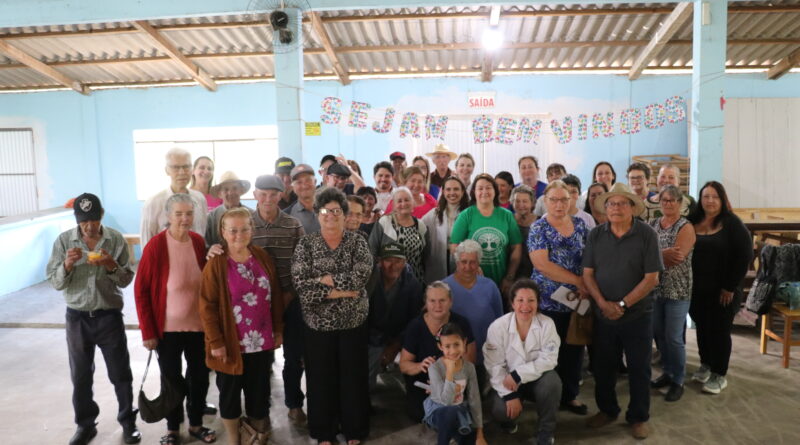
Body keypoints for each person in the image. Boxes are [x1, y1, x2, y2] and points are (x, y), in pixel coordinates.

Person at [46, 193, 141, 445]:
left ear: (101, 215)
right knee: (80, 375)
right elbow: (54, 281)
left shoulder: (115, 240)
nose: (88, 226)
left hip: (108, 315)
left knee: (120, 373)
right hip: (77, 318)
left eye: (93, 220)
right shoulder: (64, 241)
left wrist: (110, 265)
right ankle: (85, 425)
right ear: (77, 219)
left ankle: (128, 422)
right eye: (83, 221)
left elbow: (125, 279)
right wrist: (66, 265)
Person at [291, 187, 373, 445]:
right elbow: (302, 287)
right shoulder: (306, 243)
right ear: (317, 214)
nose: (331, 215)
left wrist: (326, 282)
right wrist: (340, 292)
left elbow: (361, 278)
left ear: (344, 214)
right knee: (320, 379)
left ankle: (354, 430)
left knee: (353, 378)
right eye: (326, 211)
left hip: (353, 323)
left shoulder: (357, 241)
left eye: (337, 211)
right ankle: (323, 432)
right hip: (317, 326)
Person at [582, 183, 662, 440]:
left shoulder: (647, 234)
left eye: (622, 203)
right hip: (603, 313)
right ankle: (607, 410)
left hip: (638, 314)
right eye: (611, 204)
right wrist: (603, 304)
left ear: (632, 207)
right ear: (605, 209)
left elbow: (651, 278)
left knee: (639, 368)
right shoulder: (596, 235)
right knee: (603, 366)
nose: (616, 208)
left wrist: (623, 304)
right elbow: (587, 274)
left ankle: (638, 417)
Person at [134, 194, 215, 445]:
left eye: (188, 214)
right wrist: (148, 331)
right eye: (178, 214)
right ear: (167, 217)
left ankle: (196, 424)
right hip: (166, 330)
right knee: (171, 379)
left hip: (198, 327)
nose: (184, 219)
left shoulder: (198, 242)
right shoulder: (156, 246)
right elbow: (141, 290)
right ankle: (172, 428)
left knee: (200, 376)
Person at [200, 207, 285, 445]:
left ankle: (257, 435)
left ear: (252, 229)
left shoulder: (262, 257)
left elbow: (276, 295)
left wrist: (278, 329)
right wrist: (216, 342)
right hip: (229, 343)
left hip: (261, 341)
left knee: (259, 394)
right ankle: (234, 439)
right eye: (233, 230)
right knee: (229, 395)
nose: (239, 234)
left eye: (245, 229)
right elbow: (207, 305)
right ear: (223, 232)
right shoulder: (216, 263)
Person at [248, 175, 307, 424]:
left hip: (290, 298)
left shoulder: (293, 225)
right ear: (255, 195)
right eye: (263, 194)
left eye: (274, 194)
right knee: (259, 359)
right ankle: (259, 409)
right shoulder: (245, 224)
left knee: (294, 356)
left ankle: (294, 403)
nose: (268, 199)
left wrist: (290, 292)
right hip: (255, 304)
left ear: (281, 195)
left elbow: (304, 262)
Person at [529, 181, 590, 415]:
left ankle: (570, 395)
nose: (559, 204)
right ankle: (546, 397)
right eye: (553, 199)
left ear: (571, 200)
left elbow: (589, 257)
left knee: (574, 347)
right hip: (548, 299)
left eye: (564, 199)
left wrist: (587, 283)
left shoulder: (581, 225)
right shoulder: (539, 228)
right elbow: (542, 264)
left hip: (578, 298)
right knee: (549, 350)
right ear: (545, 201)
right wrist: (578, 281)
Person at [687, 181, 752, 395]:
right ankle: (706, 364)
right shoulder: (693, 220)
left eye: (714, 197)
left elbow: (744, 257)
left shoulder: (732, 223)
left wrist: (729, 286)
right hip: (696, 287)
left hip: (723, 290)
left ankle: (719, 374)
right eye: (706, 196)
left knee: (720, 331)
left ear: (722, 199)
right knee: (702, 327)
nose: (710, 201)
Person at [483, 279, 561, 445]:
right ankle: (509, 421)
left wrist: (518, 375)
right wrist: (510, 395)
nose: (525, 306)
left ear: (538, 303)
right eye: (520, 300)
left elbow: (549, 359)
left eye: (531, 300)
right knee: (500, 410)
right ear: (512, 303)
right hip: (507, 382)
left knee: (553, 383)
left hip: (535, 380)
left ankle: (545, 433)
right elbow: (494, 365)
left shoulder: (547, 324)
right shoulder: (498, 327)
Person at [400, 282, 476, 422]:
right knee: (419, 413)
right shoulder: (415, 326)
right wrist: (419, 366)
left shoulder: (462, 323)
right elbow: (404, 364)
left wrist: (445, 381)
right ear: (426, 303)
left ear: (451, 302)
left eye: (442, 300)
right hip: (424, 383)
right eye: (432, 301)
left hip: (456, 379)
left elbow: (470, 360)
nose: (437, 305)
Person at [648, 185, 696, 402]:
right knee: (659, 334)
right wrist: (662, 254)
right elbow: (644, 254)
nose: (668, 203)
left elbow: (678, 257)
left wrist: (655, 256)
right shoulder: (653, 225)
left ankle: (678, 379)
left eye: (672, 200)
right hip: (656, 288)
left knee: (674, 337)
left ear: (680, 203)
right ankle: (667, 372)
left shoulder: (685, 227)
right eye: (665, 200)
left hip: (678, 289)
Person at [443, 240, 504, 384]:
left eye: (473, 262)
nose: (468, 267)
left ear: (478, 263)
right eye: (463, 262)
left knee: (480, 398)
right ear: (457, 262)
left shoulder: (490, 286)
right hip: (453, 358)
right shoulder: (444, 287)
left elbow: (500, 322)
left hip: (485, 358)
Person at [450, 174, 522, 292]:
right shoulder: (465, 215)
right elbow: (454, 247)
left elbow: (516, 247)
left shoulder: (507, 215)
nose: (484, 191)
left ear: (495, 191)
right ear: (474, 192)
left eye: (488, 187)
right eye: (480, 188)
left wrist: (509, 277)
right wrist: (471, 267)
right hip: (470, 281)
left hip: (501, 281)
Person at [367, 242, 424, 388]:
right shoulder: (369, 280)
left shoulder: (412, 285)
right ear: (380, 262)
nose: (393, 266)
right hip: (371, 336)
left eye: (398, 261)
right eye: (388, 260)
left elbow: (414, 320)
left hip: (399, 335)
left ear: (405, 262)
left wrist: (396, 345)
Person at [423, 322, 487, 445]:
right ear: (440, 347)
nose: (452, 351)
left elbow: (475, 399)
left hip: (459, 411)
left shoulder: (469, 367)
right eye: (447, 346)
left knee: (470, 439)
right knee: (450, 412)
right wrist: (450, 372)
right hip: (439, 411)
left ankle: (458, 435)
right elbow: (446, 401)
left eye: (457, 344)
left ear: (464, 342)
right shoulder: (434, 368)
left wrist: (480, 435)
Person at [141, 147, 208, 246]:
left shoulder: (200, 199)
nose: (182, 172)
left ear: (192, 169)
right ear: (167, 170)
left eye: (186, 167)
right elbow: (146, 244)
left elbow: (202, 233)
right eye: (176, 167)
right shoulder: (153, 203)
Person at [369, 186, 430, 284]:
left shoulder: (421, 226)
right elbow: (372, 251)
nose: (403, 204)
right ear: (394, 205)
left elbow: (426, 257)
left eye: (407, 200)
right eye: (399, 201)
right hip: (389, 282)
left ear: (413, 202)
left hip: (416, 281)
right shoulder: (384, 222)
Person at [422, 176, 469, 283]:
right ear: (443, 192)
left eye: (456, 189)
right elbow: (418, 226)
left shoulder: (469, 213)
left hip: (461, 260)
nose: (452, 193)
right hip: (438, 260)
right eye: (448, 189)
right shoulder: (434, 213)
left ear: (462, 192)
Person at [205, 171, 251, 246]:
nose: (230, 193)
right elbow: (207, 245)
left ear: (241, 190)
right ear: (220, 193)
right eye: (226, 189)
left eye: (235, 188)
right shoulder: (212, 217)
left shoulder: (251, 214)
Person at [510, 185, 536, 280]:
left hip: (534, 274)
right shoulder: (508, 220)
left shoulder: (540, 222)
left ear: (532, 203)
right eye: (517, 201)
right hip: (510, 273)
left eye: (525, 201)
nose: (521, 205)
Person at [285, 164, 320, 234]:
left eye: (308, 180)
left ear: (315, 182)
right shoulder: (287, 215)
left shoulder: (330, 207)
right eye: (299, 182)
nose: (304, 185)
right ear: (293, 187)